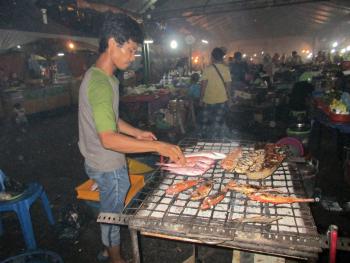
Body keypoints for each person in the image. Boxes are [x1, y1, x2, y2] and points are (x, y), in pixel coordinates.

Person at [78, 13, 185, 263]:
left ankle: (107, 248)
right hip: (107, 163)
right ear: (114, 42)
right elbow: (109, 138)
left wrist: (136, 133)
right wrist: (159, 145)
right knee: (112, 215)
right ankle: (115, 257)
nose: (133, 56)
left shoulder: (100, 76)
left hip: (95, 159)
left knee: (110, 208)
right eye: (131, 49)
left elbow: (108, 119)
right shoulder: (102, 84)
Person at [199, 47, 232, 138]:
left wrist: (201, 99)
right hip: (222, 99)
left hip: (208, 99)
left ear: (212, 57)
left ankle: (204, 137)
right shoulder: (226, 69)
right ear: (222, 57)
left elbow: (203, 86)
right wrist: (230, 99)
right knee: (217, 121)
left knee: (206, 121)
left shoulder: (207, 69)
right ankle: (215, 138)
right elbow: (228, 86)